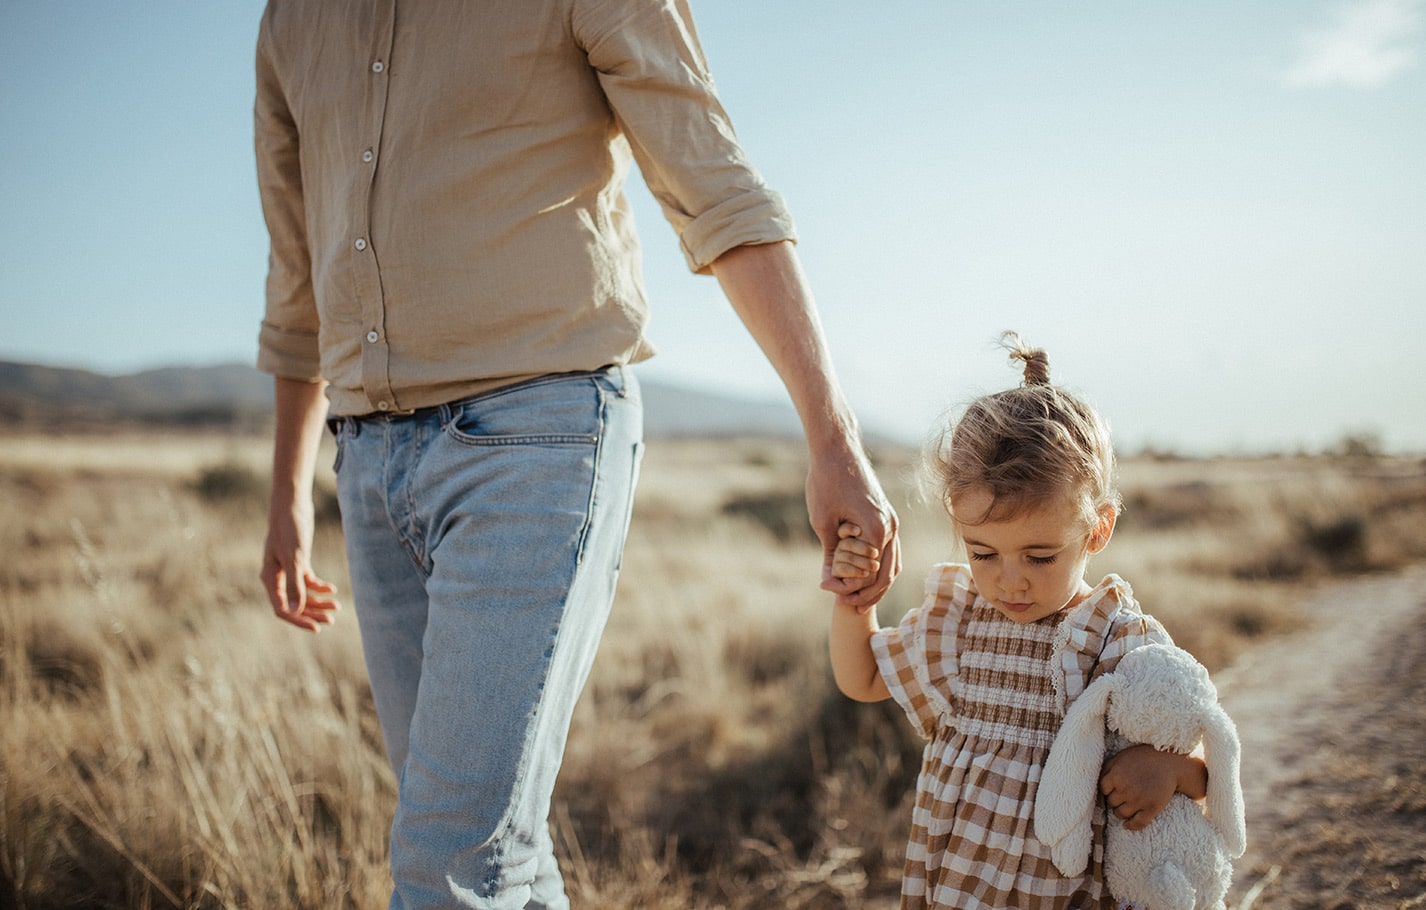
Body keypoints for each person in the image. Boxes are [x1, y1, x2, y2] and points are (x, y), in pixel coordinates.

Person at [251, 2, 899, 908]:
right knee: (490, 840)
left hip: (534, 436)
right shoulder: (291, 22)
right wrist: (288, 495)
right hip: (364, 458)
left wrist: (832, 436)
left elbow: (715, 185)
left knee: (447, 857)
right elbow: (296, 283)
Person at [826, 333, 1207, 909]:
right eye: (983, 553)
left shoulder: (1121, 640)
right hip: (957, 886)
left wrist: (1168, 771)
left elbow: (1210, 766)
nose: (1010, 582)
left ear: (1098, 530)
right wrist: (855, 602)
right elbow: (864, 678)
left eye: (1040, 557)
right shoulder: (960, 624)